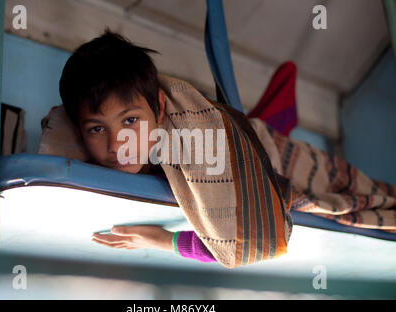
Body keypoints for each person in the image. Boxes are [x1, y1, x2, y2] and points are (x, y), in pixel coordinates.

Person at [59, 29, 396, 264]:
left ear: (161, 108)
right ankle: (269, 116)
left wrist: (163, 240)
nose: (118, 144)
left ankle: (270, 119)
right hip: (243, 135)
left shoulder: (188, 140)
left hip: (260, 146)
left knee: (344, 185)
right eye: (97, 128)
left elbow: (242, 238)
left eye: (130, 120)